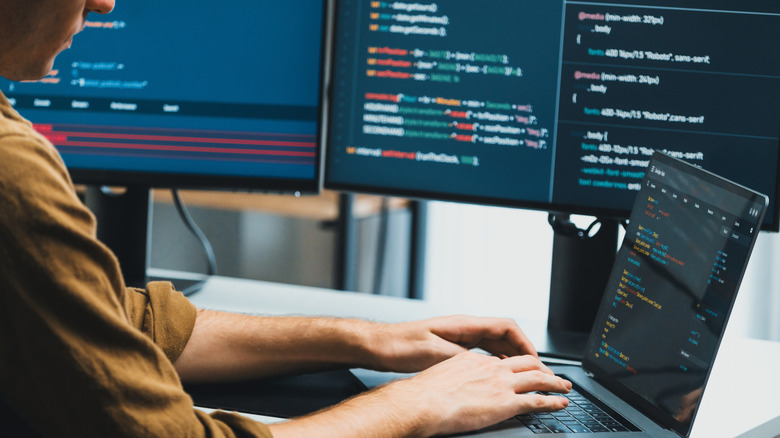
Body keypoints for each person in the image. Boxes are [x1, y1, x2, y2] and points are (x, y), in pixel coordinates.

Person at [0, 0, 572, 436]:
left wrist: (368, 339)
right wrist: (417, 404)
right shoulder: (12, 166)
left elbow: (115, 319)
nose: (104, 3)